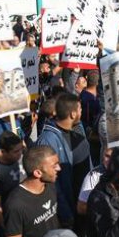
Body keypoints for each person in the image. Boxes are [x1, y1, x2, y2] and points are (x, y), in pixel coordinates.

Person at [36, 93, 91, 227]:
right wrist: (66, 213)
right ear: (72, 114)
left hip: (81, 204)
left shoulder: (76, 129)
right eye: (80, 109)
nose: (82, 111)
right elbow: (51, 183)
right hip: (67, 211)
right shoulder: (48, 140)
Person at [4, 145, 61, 237]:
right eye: (54, 165)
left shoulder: (49, 185)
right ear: (37, 172)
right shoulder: (16, 205)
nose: (59, 168)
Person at [0, 132, 26, 237]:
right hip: (12, 219)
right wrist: (6, 228)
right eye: (16, 151)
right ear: (3, 152)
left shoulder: (22, 159)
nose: (20, 154)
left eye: (21, 150)